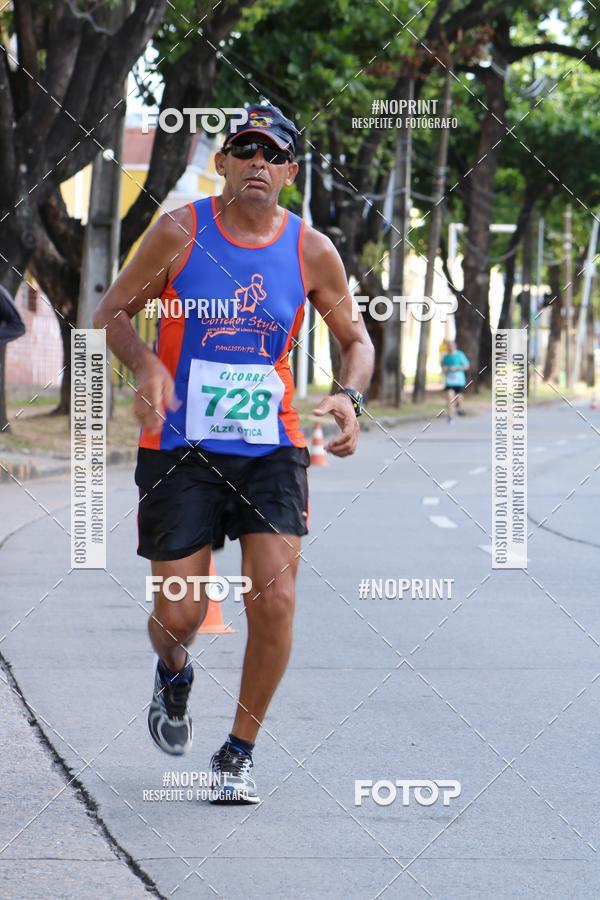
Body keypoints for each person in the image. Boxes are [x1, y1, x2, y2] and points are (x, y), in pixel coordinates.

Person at [94, 104, 374, 804]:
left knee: (275, 599)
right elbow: (111, 314)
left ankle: (238, 752)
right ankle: (174, 671)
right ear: (221, 162)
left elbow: (357, 341)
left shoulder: (312, 250)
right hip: (180, 447)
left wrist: (349, 396)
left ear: (288, 171)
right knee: (180, 614)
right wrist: (148, 369)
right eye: (243, 149)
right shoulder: (180, 231)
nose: (257, 162)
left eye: (271, 154)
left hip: (271, 447)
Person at [441, 339, 469, 421]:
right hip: (450, 381)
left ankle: (459, 407)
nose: (450, 348)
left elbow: (466, 366)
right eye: (449, 346)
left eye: (452, 346)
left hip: (459, 381)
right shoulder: (446, 357)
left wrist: (456, 368)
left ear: (455, 346)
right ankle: (450, 415)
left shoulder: (460, 355)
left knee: (458, 398)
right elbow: (443, 367)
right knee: (450, 397)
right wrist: (445, 369)